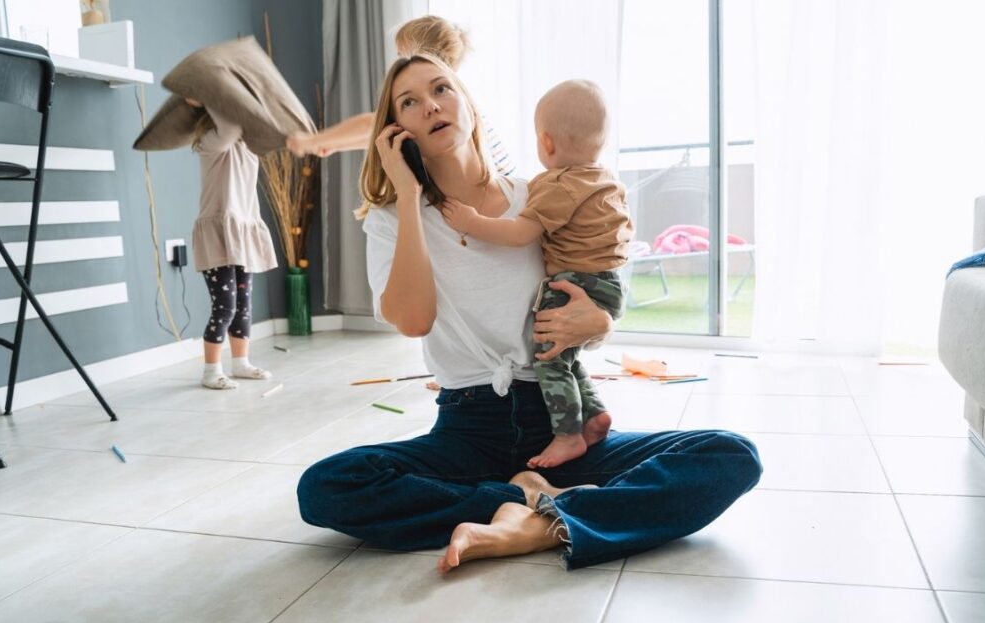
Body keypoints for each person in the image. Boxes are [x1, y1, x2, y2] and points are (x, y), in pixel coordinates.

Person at [294, 53, 762, 572]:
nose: (430, 105)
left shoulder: (540, 195)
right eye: (409, 101)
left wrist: (601, 324)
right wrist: (406, 196)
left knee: (728, 455)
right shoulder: (391, 221)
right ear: (397, 130)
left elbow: (594, 283)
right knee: (326, 487)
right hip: (467, 428)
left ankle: (535, 521)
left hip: (558, 424)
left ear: (468, 105)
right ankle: (529, 504)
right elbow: (414, 320)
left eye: (441, 89)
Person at [441, 79, 633, 468]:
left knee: (548, 358)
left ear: (546, 142)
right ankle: (594, 415)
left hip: (572, 281)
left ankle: (566, 436)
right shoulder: (605, 178)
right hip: (610, 284)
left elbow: (519, 233)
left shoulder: (557, 185)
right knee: (568, 356)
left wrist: (472, 221)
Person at [286, 15, 515, 176]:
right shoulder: (449, 101)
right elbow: (386, 131)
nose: (399, 63)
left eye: (401, 55)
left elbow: (371, 124)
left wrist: (314, 140)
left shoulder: (457, 105)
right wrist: (336, 145)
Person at [186, 98, 278, 390]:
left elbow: (262, 130)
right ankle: (210, 370)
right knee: (225, 306)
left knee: (244, 306)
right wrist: (213, 99)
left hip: (242, 229)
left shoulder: (246, 146)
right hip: (218, 232)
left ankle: (241, 363)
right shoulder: (209, 142)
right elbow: (229, 127)